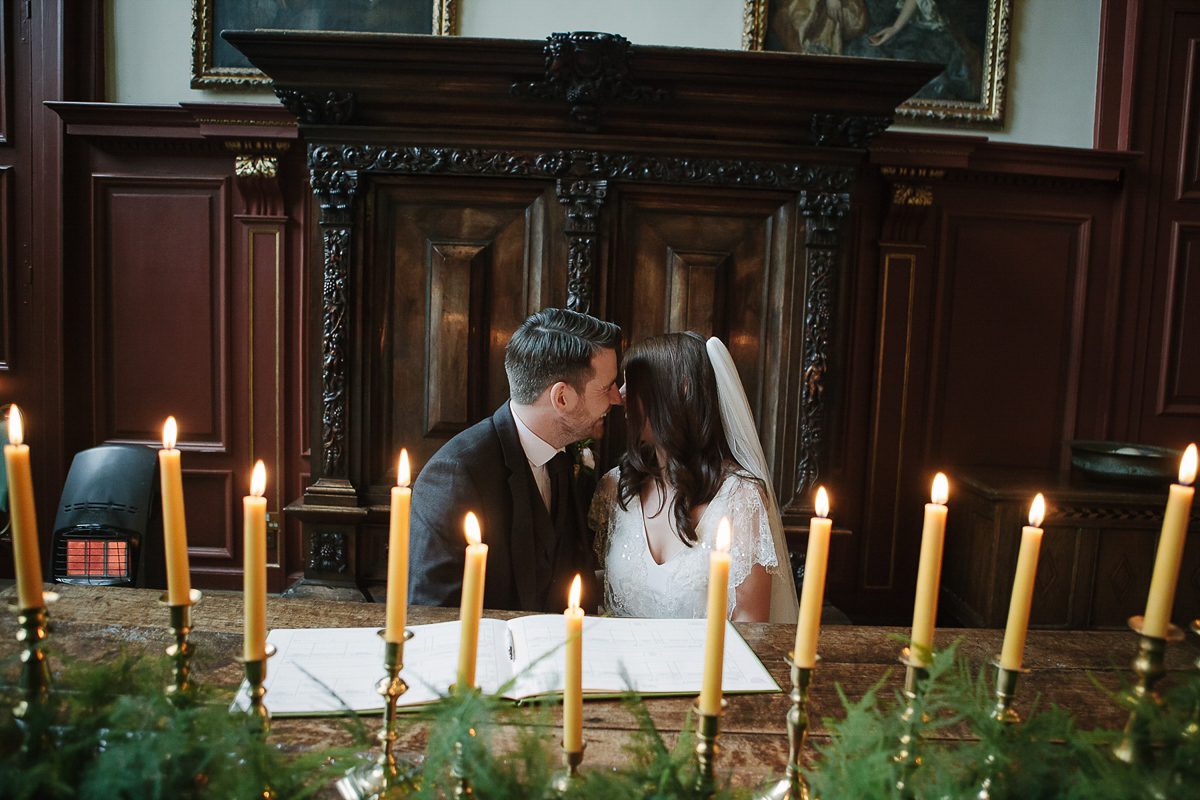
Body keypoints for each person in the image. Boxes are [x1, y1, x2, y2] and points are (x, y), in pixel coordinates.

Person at [409, 308, 622, 613]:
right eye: (606, 387)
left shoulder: (563, 450)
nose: (617, 397)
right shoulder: (455, 477)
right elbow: (434, 616)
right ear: (562, 398)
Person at [589, 332, 800, 623]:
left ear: (682, 389)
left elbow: (751, 623)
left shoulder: (739, 498)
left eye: (633, 383)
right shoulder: (616, 486)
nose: (619, 395)